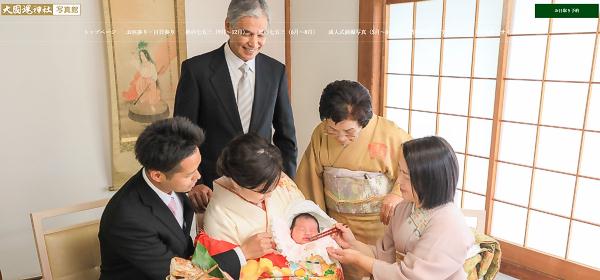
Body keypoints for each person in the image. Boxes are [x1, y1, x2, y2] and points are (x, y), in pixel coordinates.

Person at [174, 0, 297, 213]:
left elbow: (286, 136)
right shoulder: (196, 71)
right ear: (228, 27)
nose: (254, 42)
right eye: (246, 33)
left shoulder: (275, 71)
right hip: (210, 189)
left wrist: (282, 182)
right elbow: (182, 137)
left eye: (261, 34)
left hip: (262, 190)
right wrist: (195, 182)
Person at [99, 117, 249, 280]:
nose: (198, 176)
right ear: (157, 175)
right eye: (190, 174)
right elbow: (178, 274)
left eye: (197, 168)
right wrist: (243, 253)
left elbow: (183, 251)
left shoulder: (170, 184)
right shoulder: (128, 219)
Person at [326, 136, 474, 280]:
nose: (399, 181)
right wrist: (352, 243)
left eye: (407, 175)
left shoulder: (449, 224)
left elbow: (410, 276)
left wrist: (359, 260)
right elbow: (382, 256)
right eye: (400, 171)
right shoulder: (403, 207)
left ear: (429, 179)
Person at [203, 133, 305, 259]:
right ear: (236, 183)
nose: (270, 194)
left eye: (275, 184)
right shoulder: (218, 215)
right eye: (262, 191)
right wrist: (244, 252)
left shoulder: (275, 179)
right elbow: (222, 268)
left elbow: (306, 213)